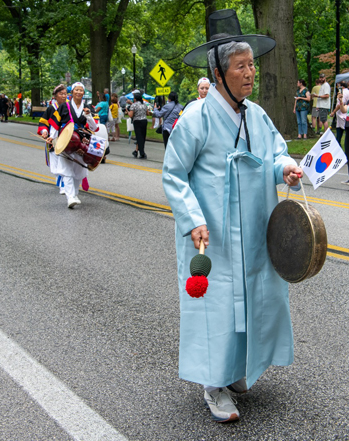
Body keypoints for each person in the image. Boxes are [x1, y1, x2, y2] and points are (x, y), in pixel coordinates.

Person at [163, 9, 303, 423]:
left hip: (255, 230)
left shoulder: (256, 115)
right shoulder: (195, 118)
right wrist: (192, 218)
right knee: (219, 304)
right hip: (215, 233)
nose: (250, 74)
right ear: (219, 74)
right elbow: (173, 174)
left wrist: (287, 168)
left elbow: (275, 153)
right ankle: (212, 383)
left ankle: (237, 369)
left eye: (252, 65)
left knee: (254, 297)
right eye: (241, 66)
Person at [45, 82, 99, 208]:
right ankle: (70, 197)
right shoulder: (64, 106)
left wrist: (89, 116)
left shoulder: (88, 108)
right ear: (72, 92)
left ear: (83, 93)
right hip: (65, 141)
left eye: (81, 90)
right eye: (76, 90)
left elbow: (95, 127)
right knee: (66, 168)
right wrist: (51, 137)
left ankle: (74, 193)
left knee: (79, 169)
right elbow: (55, 123)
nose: (79, 92)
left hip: (81, 142)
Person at [38, 84, 68, 195]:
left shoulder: (69, 107)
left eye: (65, 94)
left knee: (65, 162)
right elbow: (43, 123)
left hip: (66, 138)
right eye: (61, 94)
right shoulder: (51, 109)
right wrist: (44, 131)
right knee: (55, 165)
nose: (64, 96)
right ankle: (60, 181)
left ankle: (64, 185)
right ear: (55, 96)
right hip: (53, 139)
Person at [127, 93, 148, 159]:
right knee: (143, 136)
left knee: (139, 137)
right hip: (144, 121)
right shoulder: (144, 104)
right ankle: (137, 151)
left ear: (135, 99)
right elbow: (147, 113)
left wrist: (127, 111)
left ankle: (142, 153)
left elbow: (131, 115)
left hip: (137, 121)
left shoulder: (134, 105)